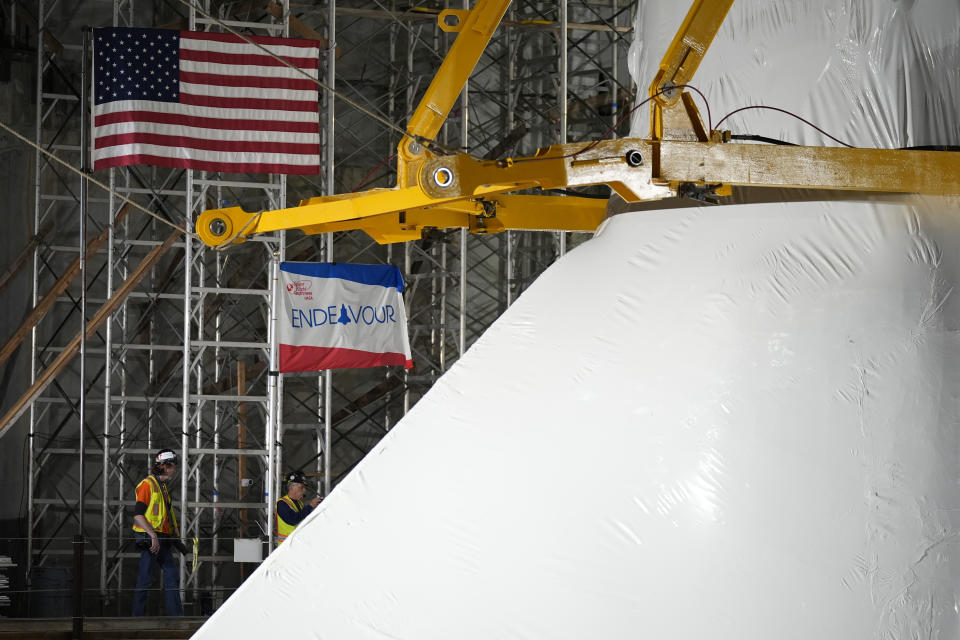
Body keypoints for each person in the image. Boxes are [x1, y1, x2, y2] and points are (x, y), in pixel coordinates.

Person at [131, 448, 184, 616]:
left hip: (161, 538)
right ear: (165, 466)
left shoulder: (161, 487)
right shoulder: (148, 485)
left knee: (171, 575)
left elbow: (165, 516)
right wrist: (152, 535)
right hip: (150, 538)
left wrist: (173, 537)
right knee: (146, 577)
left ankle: (176, 617)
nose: (175, 469)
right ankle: (136, 618)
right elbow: (138, 515)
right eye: (173, 466)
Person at [275, 470, 321, 545]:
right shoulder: (282, 503)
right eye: (301, 487)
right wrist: (310, 506)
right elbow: (292, 520)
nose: (304, 490)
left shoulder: (300, 503)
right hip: (285, 547)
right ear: (292, 486)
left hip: (297, 545)